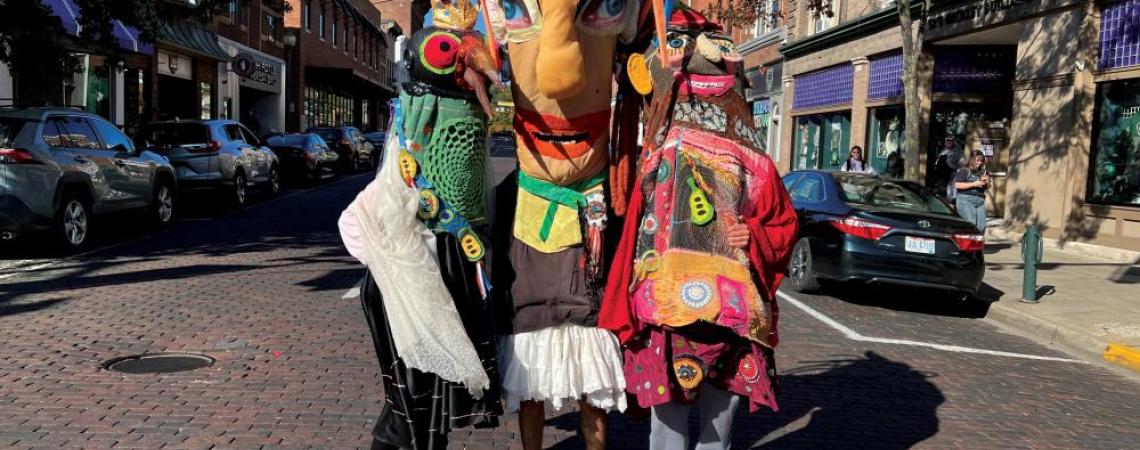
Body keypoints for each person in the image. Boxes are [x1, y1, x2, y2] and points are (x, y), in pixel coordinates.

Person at [600, 8, 798, 450]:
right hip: (665, 307)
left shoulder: (752, 155)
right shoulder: (656, 139)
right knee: (665, 434)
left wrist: (754, 234)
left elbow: (782, 222)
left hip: (731, 313)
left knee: (717, 435)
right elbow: (632, 219)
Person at [338, 1, 503, 448]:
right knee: (414, 397)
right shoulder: (415, 119)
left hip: (450, 263)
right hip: (421, 269)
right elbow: (378, 204)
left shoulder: (466, 111)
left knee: (429, 403)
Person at [485, 0, 639, 447]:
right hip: (530, 294)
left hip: (586, 298)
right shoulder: (508, 196)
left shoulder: (613, 194)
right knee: (530, 385)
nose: (561, 77)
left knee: (592, 389)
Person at [954, 150, 990, 232]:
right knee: (970, 224)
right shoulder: (965, 170)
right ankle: (965, 244)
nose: (979, 163)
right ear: (972, 160)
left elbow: (988, 187)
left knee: (981, 227)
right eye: (977, 160)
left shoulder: (983, 172)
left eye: (981, 161)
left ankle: (978, 244)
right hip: (965, 200)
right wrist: (974, 184)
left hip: (980, 201)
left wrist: (987, 182)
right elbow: (957, 185)